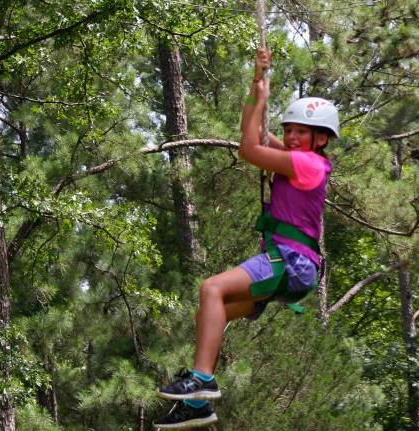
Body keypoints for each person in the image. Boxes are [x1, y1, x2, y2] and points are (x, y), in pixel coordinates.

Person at [152, 48, 340, 430]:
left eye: (300, 132)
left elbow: (248, 150)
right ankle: (200, 408)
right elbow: (252, 133)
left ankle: (202, 380)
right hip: (291, 266)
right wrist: (257, 86)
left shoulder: (309, 163)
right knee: (209, 312)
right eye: (288, 130)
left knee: (211, 289)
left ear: (320, 139)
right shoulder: (295, 155)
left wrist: (261, 99)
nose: (290, 137)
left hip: (291, 261)